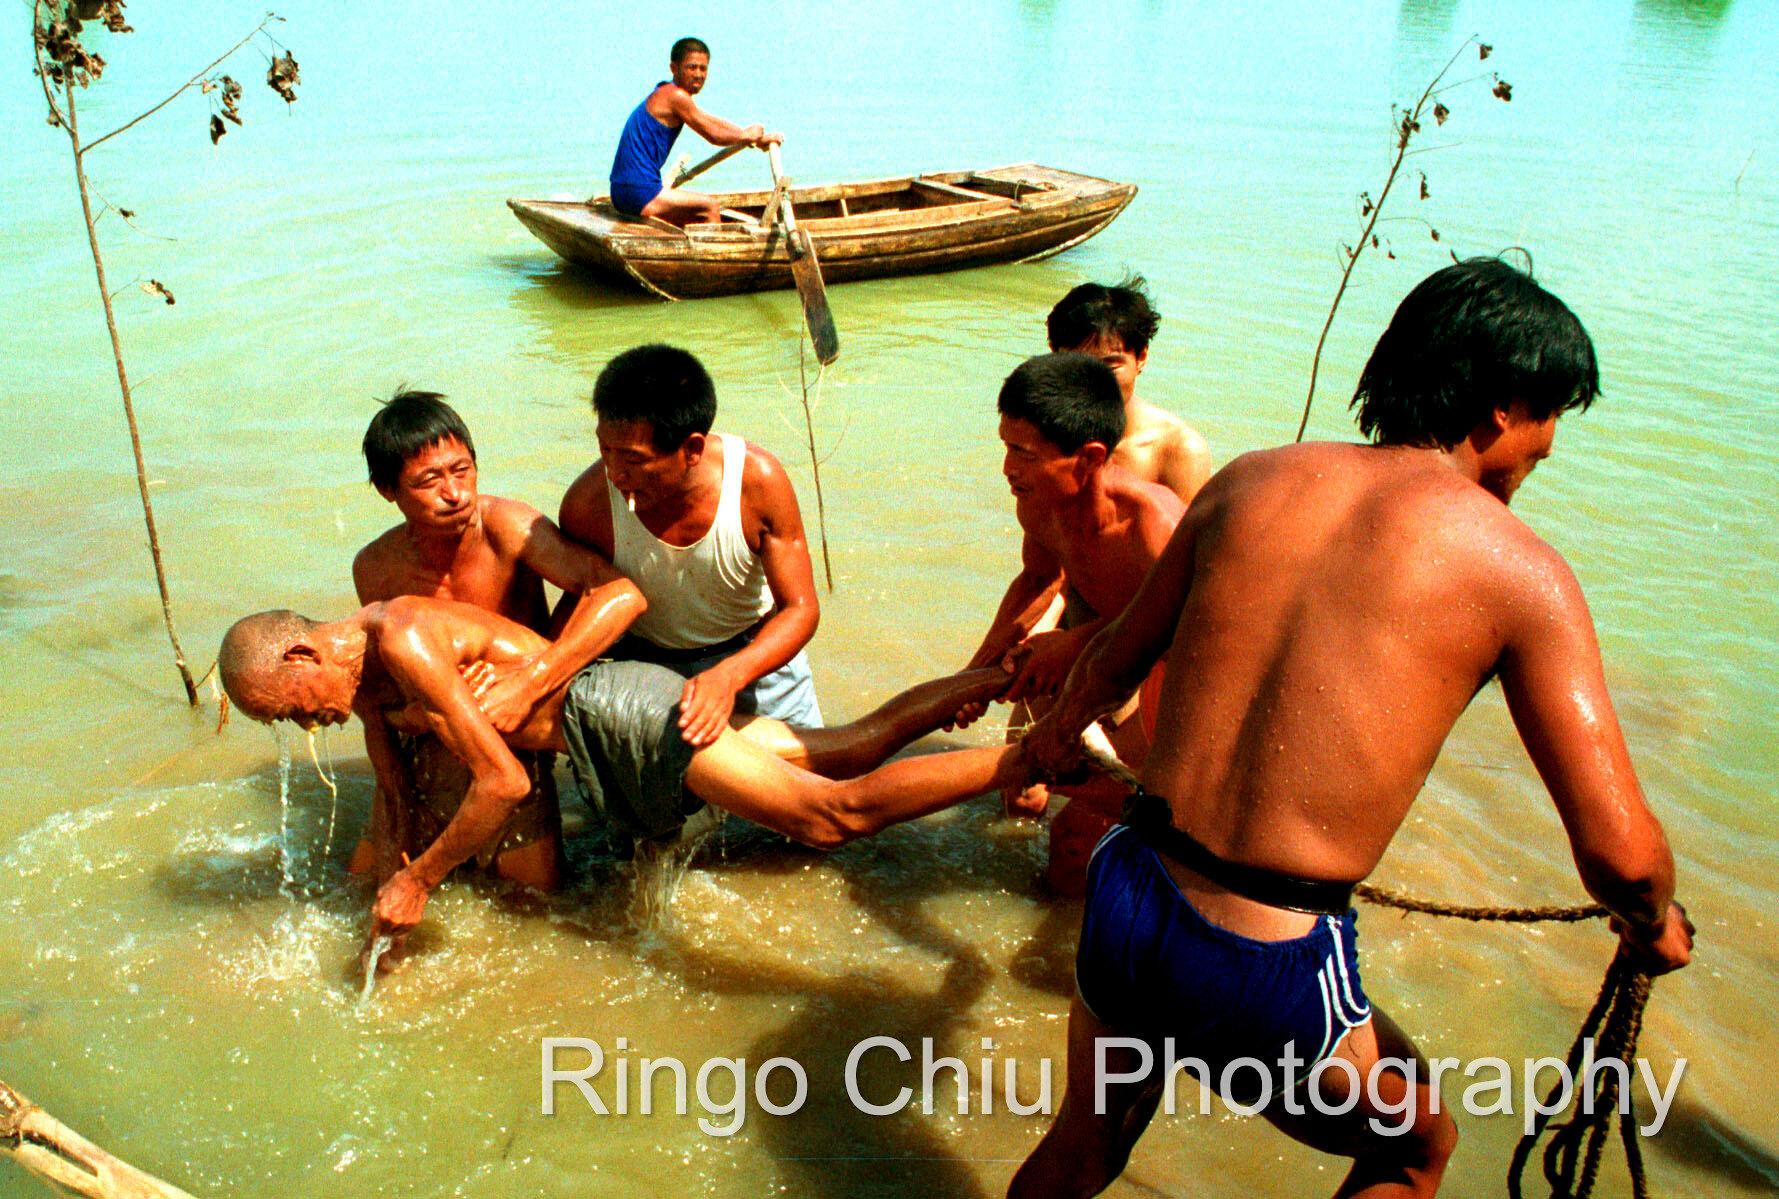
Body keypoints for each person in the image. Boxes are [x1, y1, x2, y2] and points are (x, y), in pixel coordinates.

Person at [1008, 257, 1693, 1198]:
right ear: (1500, 407)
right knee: (1417, 1146)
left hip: (1128, 890)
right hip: (1268, 952)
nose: (1543, 451)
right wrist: (1651, 922)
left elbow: (1105, 663)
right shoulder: (1520, 569)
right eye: (1547, 421)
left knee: (1085, 1149)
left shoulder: (1248, 482)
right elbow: (1620, 855)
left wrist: (1043, 749)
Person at [216, 593, 1021, 966]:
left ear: (300, 655)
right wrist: (377, 911)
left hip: (619, 713)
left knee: (826, 815)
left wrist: (422, 880)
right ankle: (998, 676)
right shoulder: (361, 686)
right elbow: (395, 801)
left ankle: (1039, 761)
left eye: (285, 711)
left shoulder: (401, 639)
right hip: (608, 727)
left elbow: (503, 783)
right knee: (842, 748)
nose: (300, 727)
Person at [351, 390, 633, 891]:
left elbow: (618, 592)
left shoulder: (506, 526)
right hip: (437, 737)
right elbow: (378, 692)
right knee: (361, 887)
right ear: (386, 489)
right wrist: (410, 721)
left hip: (518, 728)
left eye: (462, 471)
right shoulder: (375, 567)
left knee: (536, 903)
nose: (454, 493)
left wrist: (530, 679)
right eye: (429, 481)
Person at [959, 353, 1184, 893]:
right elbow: (1035, 584)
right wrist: (972, 677)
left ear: (1088, 458)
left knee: (1088, 830)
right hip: (1104, 652)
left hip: (1169, 676)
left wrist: (1072, 645)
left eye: (1024, 454)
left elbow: (1188, 635)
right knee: (1026, 792)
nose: (1007, 468)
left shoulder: (1155, 528)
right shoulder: (1039, 506)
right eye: (1005, 447)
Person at [559, 344, 823, 750]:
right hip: (649, 667)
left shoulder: (756, 485)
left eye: (633, 459)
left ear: (692, 449)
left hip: (756, 660)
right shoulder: (588, 506)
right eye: (604, 449)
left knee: (813, 794)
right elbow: (582, 606)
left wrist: (731, 675)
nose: (613, 472)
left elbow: (800, 609)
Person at [1047, 278, 1212, 503]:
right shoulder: (1046, 436)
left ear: (1141, 358)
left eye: (1110, 366)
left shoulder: (1178, 451)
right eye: (1078, 365)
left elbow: (1185, 537)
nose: (1094, 380)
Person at [608, 36, 783, 226]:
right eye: (692, 67)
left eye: (703, 68)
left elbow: (709, 120)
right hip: (639, 191)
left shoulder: (670, 93)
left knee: (692, 218)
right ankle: (715, 255)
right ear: (674, 68)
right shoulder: (676, 96)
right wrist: (746, 135)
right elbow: (713, 135)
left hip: (622, 191)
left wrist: (756, 139)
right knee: (709, 207)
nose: (698, 74)